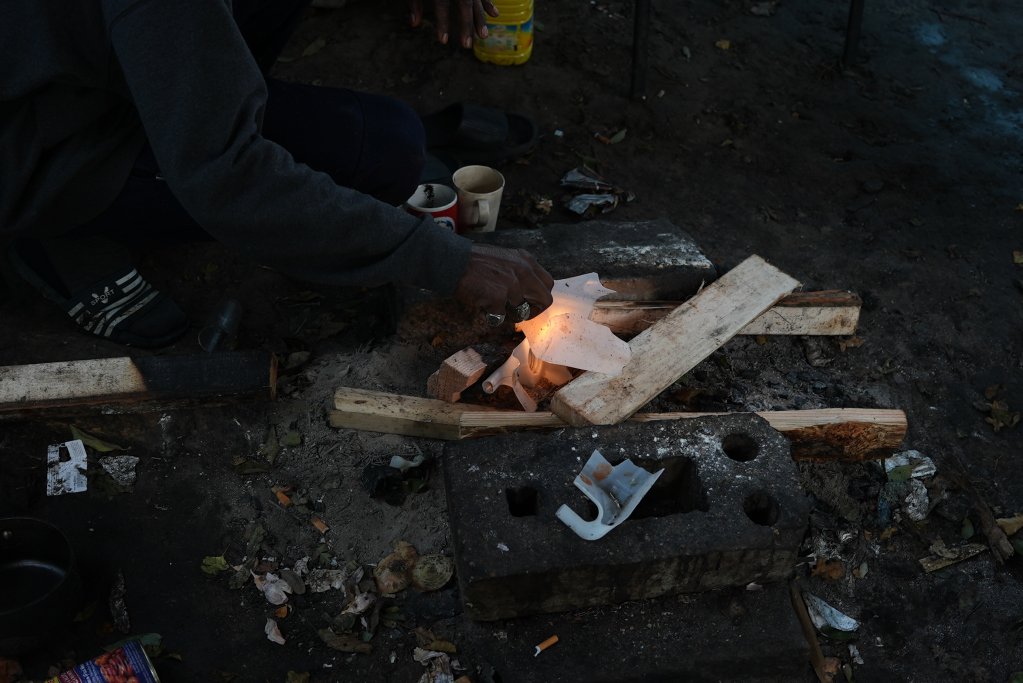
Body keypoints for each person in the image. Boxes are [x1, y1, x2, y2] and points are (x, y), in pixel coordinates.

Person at [0, 0, 554, 348]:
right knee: (383, 155)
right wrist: (447, 260)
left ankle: (208, 95)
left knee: (380, 145)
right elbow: (228, 174)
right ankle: (55, 230)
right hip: (39, 147)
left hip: (103, 63)